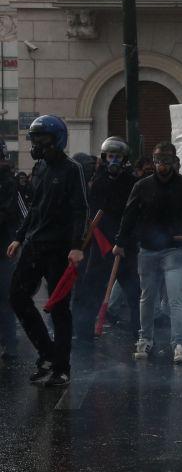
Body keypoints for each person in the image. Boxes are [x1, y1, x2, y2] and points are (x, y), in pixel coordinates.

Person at [7, 115, 89, 387]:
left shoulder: (72, 169)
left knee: (59, 308)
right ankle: (47, 353)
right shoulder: (39, 168)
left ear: (57, 140)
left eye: (42, 139)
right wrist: (20, 237)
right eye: (35, 139)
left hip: (60, 249)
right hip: (33, 244)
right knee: (17, 297)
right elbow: (35, 207)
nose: (37, 145)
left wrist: (76, 246)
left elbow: (81, 210)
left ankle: (61, 368)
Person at [113, 142, 182, 365]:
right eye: (159, 160)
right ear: (154, 160)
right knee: (147, 298)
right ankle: (146, 338)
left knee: (175, 298)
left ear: (174, 161)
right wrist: (120, 241)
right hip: (148, 249)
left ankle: (178, 343)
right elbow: (129, 214)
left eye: (167, 160)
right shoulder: (142, 186)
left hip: (174, 249)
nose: (163, 165)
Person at [73, 136, 140, 343]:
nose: (114, 160)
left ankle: (140, 332)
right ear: (105, 157)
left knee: (134, 292)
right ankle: (83, 333)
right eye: (110, 156)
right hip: (101, 246)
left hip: (125, 246)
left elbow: (134, 213)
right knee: (92, 289)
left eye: (118, 156)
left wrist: (124, 241)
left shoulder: (133, 183)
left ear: (124, 159)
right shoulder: (97, 182)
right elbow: (92, 214)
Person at [0, 139, 26, 362]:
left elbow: (15, 214)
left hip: (4, 249)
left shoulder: (9, 183)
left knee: (5, 297)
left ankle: (9, 343)